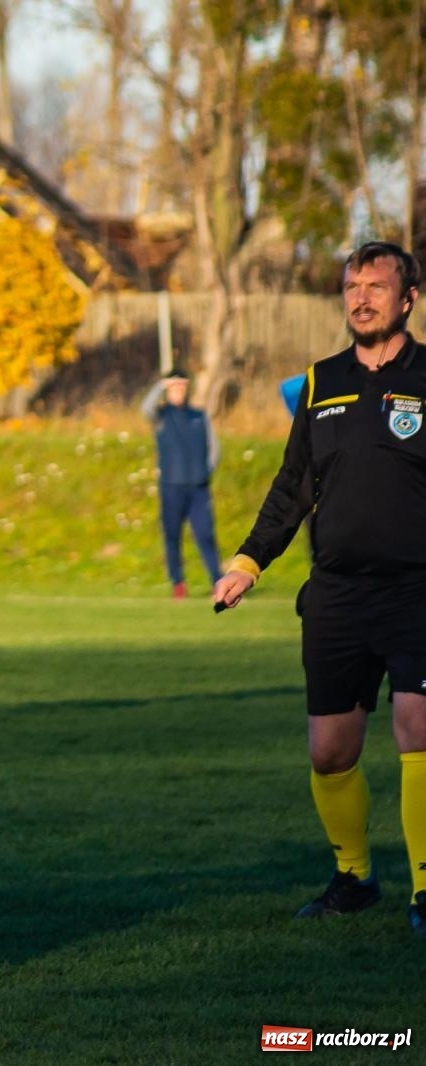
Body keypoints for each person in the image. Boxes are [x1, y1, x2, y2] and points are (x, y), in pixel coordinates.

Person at [214, 240, 426, 937]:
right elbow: (292, 488)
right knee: (330, 752)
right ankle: (354, 877)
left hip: (417, 592)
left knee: (417, 730)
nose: (361, 297)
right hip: (336, 595)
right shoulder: (318, 382)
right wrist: (248, 561)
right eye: (351, 286)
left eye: (376, 286)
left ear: (408, 299)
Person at [140, 371, 223, 598]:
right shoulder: (161, 416)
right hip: (171, 487)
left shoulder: (198, 415)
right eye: (174, 388)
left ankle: (218, 580)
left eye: (181, 387)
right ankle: (178, 583)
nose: (178, 392)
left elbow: (214, 448)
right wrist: (160, 385)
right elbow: (144, 408)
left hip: (198, 487)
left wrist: (206, 471)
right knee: (172, 536)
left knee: (205, 534)